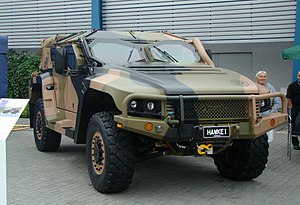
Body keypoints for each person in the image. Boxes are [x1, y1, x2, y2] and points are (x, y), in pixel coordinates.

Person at [256, 70, 281, 143]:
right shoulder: (252, 87)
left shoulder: (270, 88)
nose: (262, 78)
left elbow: (277, 102)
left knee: (269, 138)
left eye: (264, 77)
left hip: (267, 113)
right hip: (256, 114)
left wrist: (271, 112)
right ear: (257, 78)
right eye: (260, 76)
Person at [286, 70, 300, 150]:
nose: (299, 77)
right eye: (299, 76)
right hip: (295, 108)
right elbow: (288, 97)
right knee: (294, 125)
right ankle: (295, 143)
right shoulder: (292, 85)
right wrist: (291, 107)